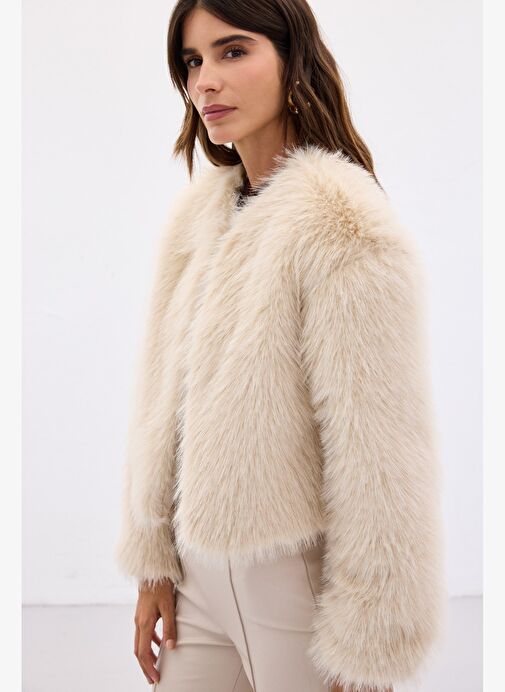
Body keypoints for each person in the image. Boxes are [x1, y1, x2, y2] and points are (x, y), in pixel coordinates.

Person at [115, 1, 447, 691]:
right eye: (192, 61)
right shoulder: (198, 218)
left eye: (233, 51)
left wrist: (370, 635)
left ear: (293, 59)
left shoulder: (343, 226)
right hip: (196, 585)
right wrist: (153, 562)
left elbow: (383, 451)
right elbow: (159, 401)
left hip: (295, 584)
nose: (205, 80)